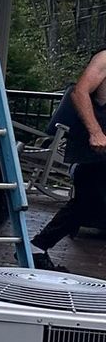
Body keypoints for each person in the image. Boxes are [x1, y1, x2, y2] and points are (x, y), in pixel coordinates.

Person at [32, 49, 106, 269]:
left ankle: (37, 248)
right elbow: (79, 92)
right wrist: (95, 132)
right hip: (97, 147)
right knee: (91, 201)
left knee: (88, 204)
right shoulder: (104, 58)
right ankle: (37, 247)